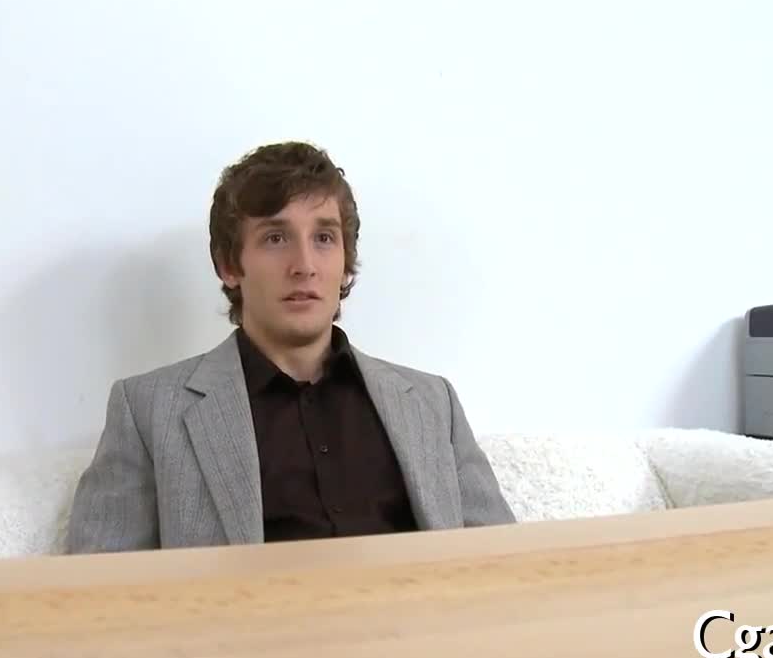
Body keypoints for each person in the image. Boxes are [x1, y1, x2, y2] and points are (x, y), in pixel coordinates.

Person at [64, 141, 514, 553]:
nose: (304, 265)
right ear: (229, 265)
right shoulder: (147, 411)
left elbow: (509, 566)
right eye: (275, 238)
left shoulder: (433, 404)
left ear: (345, 263)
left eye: (324, 238)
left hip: (420, 616)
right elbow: (95, 591)